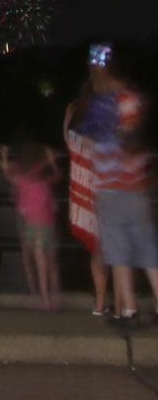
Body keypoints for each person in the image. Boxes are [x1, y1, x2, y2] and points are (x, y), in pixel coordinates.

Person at [87, 46, 158, 325]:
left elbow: (98, 141)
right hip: (137, 187)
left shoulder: (102, 103)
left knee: (118, 251)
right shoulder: (134, 100)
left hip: (112, 188)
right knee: (147, 248)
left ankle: (127, 309)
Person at [65, 72, 112, 317]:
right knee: (110, 248)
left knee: (97, 249)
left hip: (80, 186)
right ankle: (118, 302)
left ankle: (100, 303)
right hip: (103, 186)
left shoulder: (73, 111)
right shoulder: (107, 114)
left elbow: (67, 139)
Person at [1, 134, 60, 309]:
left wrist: (4, 158)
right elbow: (57, 176)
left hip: (33, 225)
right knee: (51, 263)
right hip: (49, 223)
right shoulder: (44, 180)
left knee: (41, 262)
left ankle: (44, 298)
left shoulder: (24, 179)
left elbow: (9, 176)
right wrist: (51, 161)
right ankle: (54, 296)